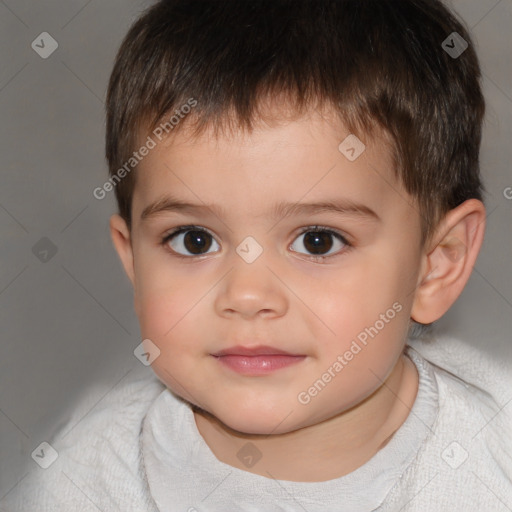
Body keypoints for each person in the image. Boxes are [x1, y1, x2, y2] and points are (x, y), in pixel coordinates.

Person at [3, 1, 511, 510]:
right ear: (134, 262)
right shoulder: (79, 484)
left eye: (318, 240)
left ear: (436, 265)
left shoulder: (495, 455)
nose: (246, 296)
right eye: (193, 240)